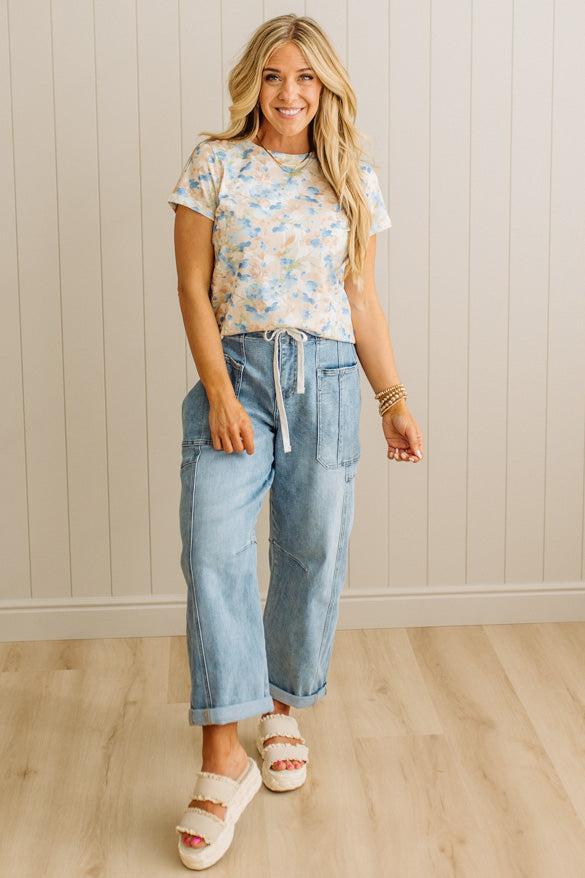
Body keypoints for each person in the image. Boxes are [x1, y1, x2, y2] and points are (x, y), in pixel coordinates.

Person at [168, 13, 424, 870]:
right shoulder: (214, 164)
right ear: (253, 81)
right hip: (236, 378)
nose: (288, 93)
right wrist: (215, 389)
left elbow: (362, 303)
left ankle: (280, 707)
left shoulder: (351, 178)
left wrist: (391, 399)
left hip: (326, 382)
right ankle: (220, 756)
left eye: (305, 78)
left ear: (327, 88)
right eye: (274, 76)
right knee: (213, 552)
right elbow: (193, 289)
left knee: (312, 553)